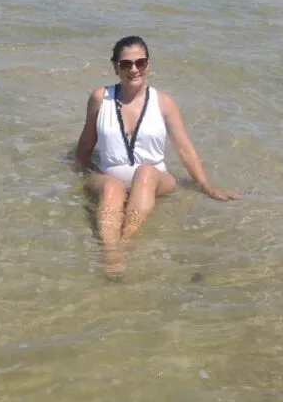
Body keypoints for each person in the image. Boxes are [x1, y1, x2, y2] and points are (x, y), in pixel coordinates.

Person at [73, 35, 240, 277]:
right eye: (126, 64)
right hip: (110, 175)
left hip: (155, 178)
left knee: (146, 172)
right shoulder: (101, 98)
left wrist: (205, 184)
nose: (133, 69)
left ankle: (126, 242)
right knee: (112, 187)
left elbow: (184, 148)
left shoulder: (163, 102)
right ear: (115, 66)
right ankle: (110, 253)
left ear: (148, 65)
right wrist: (77, 175)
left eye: (140, 63)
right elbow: (87, 141)